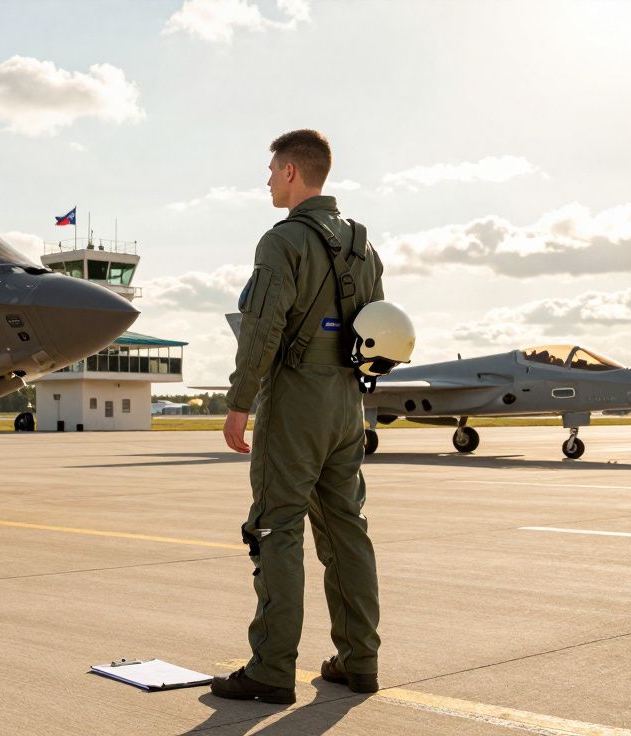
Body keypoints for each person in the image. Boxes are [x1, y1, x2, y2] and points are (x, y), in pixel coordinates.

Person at [211, 129, 386, 705]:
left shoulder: (282, 241)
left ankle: (270, 670)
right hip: (347, 401)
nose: (266, 180)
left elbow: (262, 327)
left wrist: (240, 402)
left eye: (270, 171)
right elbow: (378, 326)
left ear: (291, 172)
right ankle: (358, 660)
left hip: (296, 401)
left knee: (276, 527)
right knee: (346, 529)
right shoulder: (363, 245)